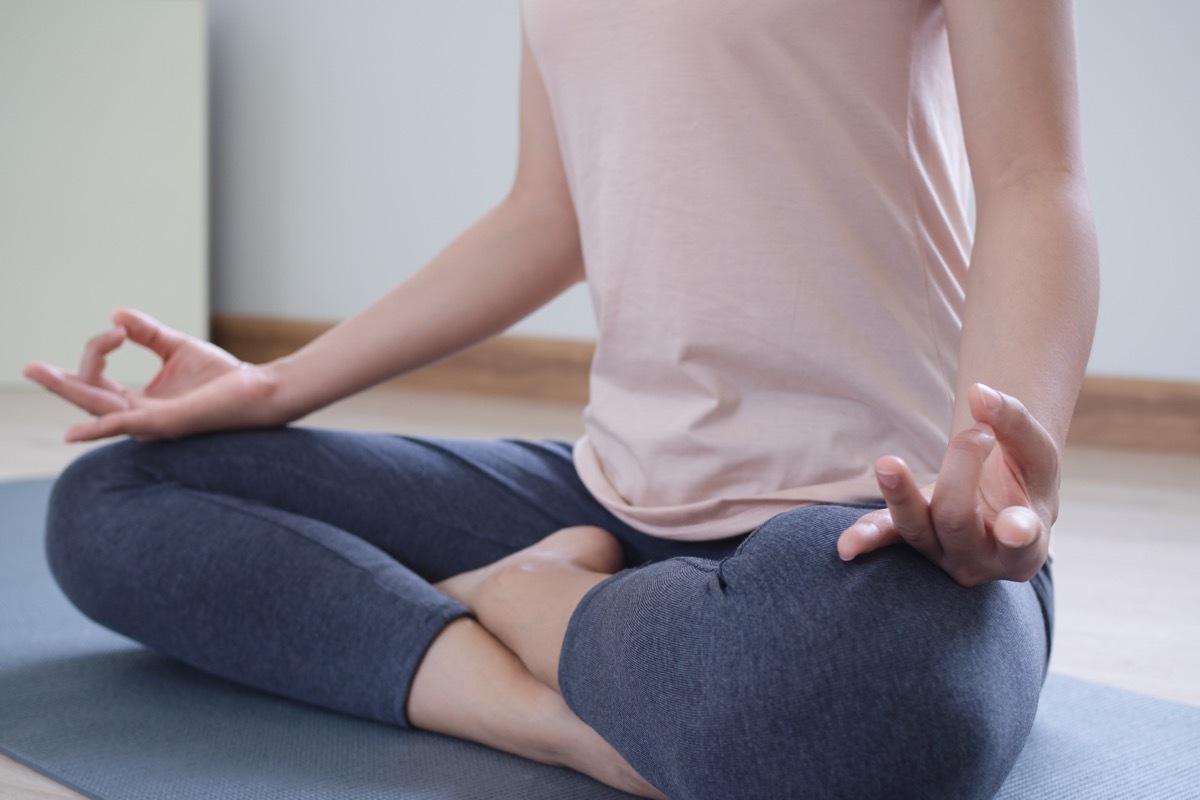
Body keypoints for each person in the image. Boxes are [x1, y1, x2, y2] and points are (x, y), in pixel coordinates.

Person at [25, 1, 1098, 797]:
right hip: (610, 496)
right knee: (116, 499)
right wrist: (273, 384)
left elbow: (1033, 183)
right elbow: (546, 213)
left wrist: (992, 464)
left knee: (878, 692)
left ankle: (538, 605)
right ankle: (552, 708)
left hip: (881, 522)